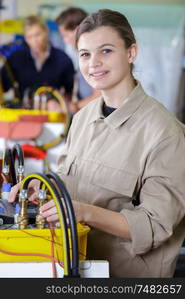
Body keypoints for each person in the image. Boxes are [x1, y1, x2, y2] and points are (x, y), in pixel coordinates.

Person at [9, 9, 185, 278]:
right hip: (75, 266)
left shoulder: (165, 133)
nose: (94, 64)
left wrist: (84, 213)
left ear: (131, 53)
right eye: (85, 54)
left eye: (106, 51)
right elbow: (70, 179)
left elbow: (154, 226)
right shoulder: (83, 118)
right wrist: (43, 186)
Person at [0, 15, 75, 108]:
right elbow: (3, 86)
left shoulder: (63, 59)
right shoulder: (16, 58)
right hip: (22, 112)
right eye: (29, 37)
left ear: (46, 31)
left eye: (37, 34)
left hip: (52, 112)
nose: (34, 40)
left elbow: (70, 93)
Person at [56, 7, 100, 113]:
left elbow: (100, 96)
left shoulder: (93, 55)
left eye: (66, 35)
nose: (65, 41)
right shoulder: (83, 54)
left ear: (77, 30)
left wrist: (74, 107)